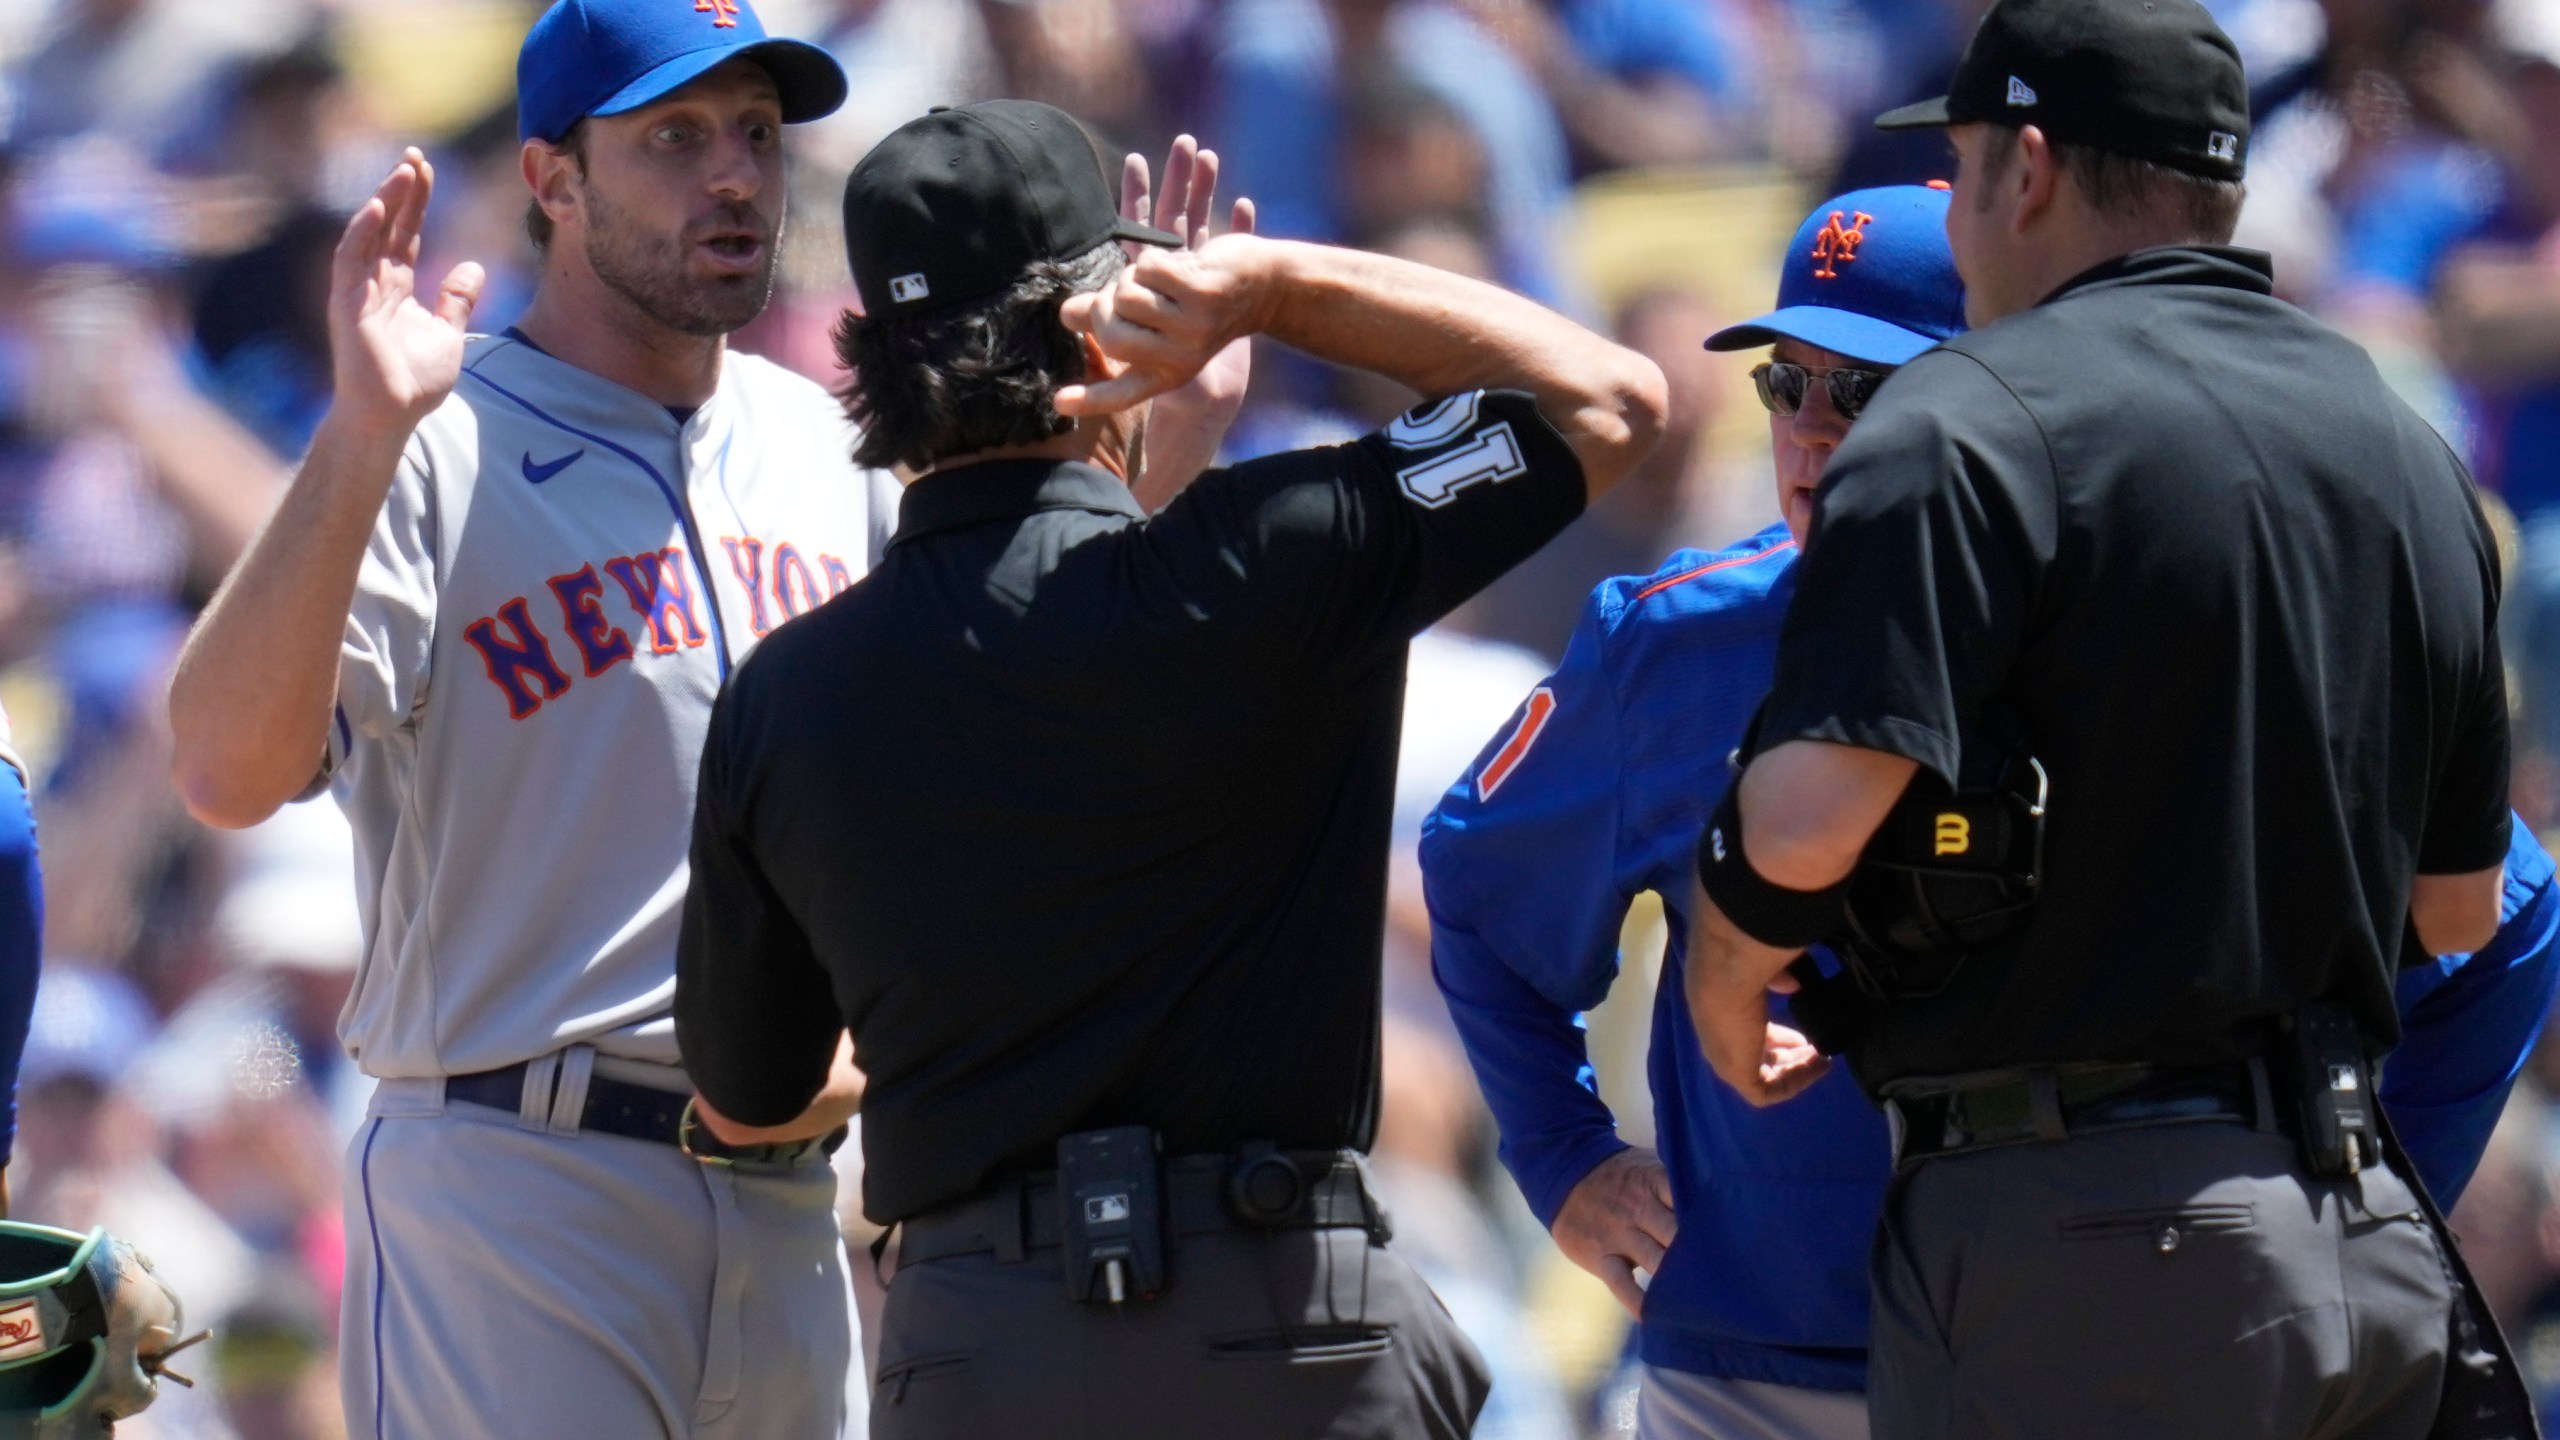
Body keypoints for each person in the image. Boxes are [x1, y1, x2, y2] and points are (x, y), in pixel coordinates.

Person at [1423, 183, 2560, 1440]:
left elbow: (2504, 923)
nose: (1806, 433)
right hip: (1761, 1362)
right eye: (1780, 384)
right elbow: (1475, 889)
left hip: (2086, 1340)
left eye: (1858, 390)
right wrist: (1563, 1157)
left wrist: (2375, 1194)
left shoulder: (2144, 630)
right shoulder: (1678, 641)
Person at [672, 99, 1667, 1438]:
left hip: (977, 1345)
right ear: (1108, 326)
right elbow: (1612, 398)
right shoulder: (1276, 556)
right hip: (1280, 1325)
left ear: (875, 360)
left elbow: (748, 1093)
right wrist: (1274, 288)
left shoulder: (785, 694)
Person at [155, 1, 1014, 1434]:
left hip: (795, 1200)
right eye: (673, 138)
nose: (734, 176)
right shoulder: (431, 436)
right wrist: (360, 433)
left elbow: (935, 808)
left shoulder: (832, 447)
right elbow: (225, 771)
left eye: (754, 132)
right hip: (517, 1182)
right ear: (554, 180)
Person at [1684, 0, 2514, 1433]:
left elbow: (1806, 831)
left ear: (2030, 167)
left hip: (2085, 1246)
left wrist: (1716, 972)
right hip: (2359, 1235)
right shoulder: (2403, 443)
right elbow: (2458, 909)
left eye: (1962, 165)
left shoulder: (1959, 420)